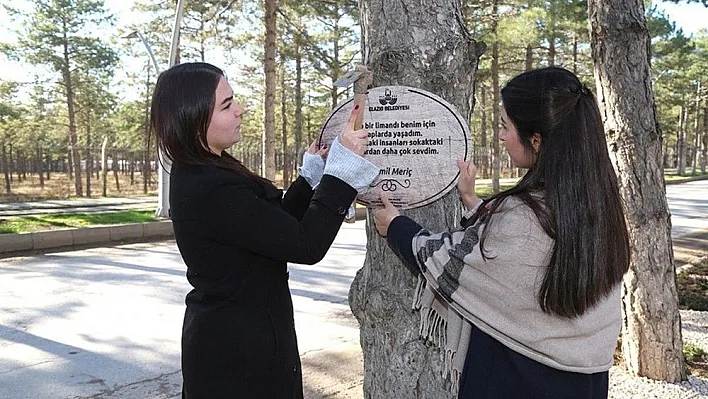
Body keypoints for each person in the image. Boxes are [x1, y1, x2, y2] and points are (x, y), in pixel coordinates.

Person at [373, 66, 630, 399]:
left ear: (535, 140)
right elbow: (520, 254)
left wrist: (396, 227)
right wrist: (472, 202)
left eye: (506, 126)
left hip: (518, 377)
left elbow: (456, 263)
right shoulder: (598, 203)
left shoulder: (525, 215)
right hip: (584, 382)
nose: (501, 136)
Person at [150, 62, 379, 398]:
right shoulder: (211, 186)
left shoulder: (209, 169)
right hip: (237, 362)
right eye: (227, 105)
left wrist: (308, 181)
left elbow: (270, 231)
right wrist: (341, 176)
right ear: (194, 117)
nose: (240, 110)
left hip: (240, 345)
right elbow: (305, 244)